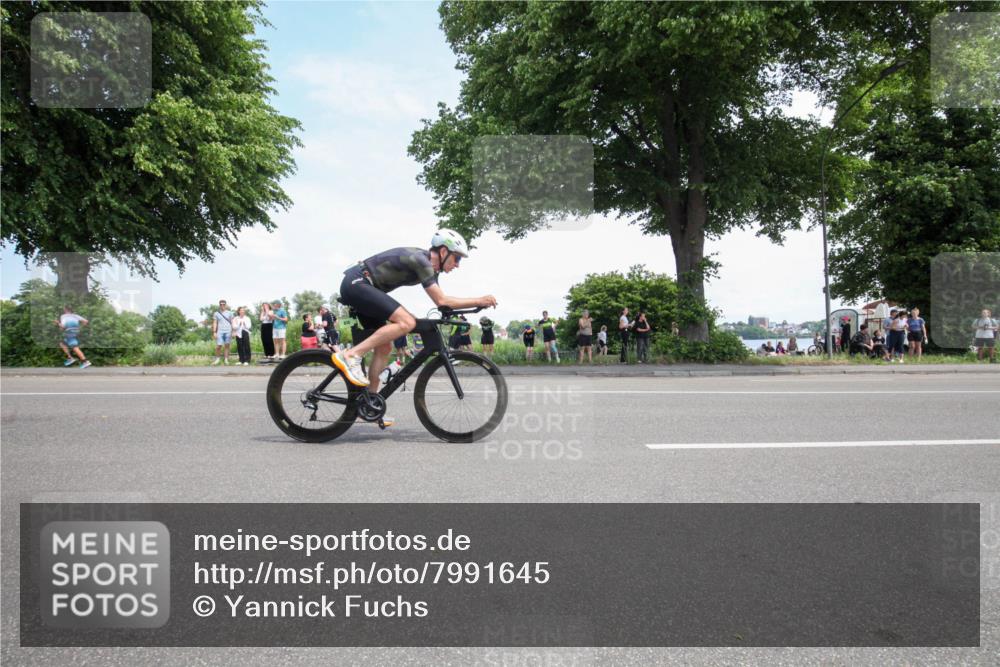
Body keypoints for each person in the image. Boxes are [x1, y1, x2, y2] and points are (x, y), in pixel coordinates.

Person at [331, 230, 497, 400]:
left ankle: (369, 402)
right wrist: (479, 300)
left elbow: (443, 305)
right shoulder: (421, 261)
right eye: (457, 258)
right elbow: (442, 300)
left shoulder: (430, 269)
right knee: (407, 322)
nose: (457, 265)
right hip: (358, 283)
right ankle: (350, 355)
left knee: (385, 346)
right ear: (443, 252)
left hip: (366, 288)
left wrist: (470, 309)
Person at [211, 299, 233, 365]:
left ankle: (226, 359)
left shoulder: (230, 313)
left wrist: (233, 331)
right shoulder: (216, 313)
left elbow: (232, 322)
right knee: (219, 346)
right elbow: (215, 323)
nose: (222, 305)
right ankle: (217, 359)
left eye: (223, 304)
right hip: (220, 331)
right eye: (221, 304)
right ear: (219, 305)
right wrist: (214, 332)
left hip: (228, 331)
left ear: (226, 305)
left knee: (227, 345)